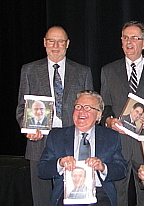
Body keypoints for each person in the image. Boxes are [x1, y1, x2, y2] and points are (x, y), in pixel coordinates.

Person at [16, 26, 93, 206]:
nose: (56, 45)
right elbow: (21, 108)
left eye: (60, 41)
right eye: (51, 41)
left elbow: (90, 109)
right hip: (39, 141)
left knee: (73, 198)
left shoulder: (82, 72)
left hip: (72, 142)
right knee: (41, 199)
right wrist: (28, 128)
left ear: (67, 44)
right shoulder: (29, 70)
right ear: (44, 43)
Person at [100, 21, 144, 205]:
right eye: (125, 38)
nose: (129, 42)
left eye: (134, 38)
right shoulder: (108, 71)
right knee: (116, 199)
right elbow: (104, 106)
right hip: (118, 147)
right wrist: (108, 121)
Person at [38, 90, 127, 206]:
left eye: (87, 108)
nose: (81, 111)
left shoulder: (110, 137)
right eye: (78, 107)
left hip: (99, 194)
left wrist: (102, 167)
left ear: (99, 114)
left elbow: (121, 170)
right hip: (66, 194)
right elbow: (42, 170)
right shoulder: (57, 136)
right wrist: (60, 163)